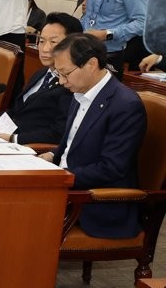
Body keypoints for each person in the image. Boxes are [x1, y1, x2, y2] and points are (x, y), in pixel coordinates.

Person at [40, 33, 146, 239]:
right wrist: (51, 156)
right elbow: (72, 145)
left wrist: (62, 178)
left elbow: (112, 168)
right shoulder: (80, 91)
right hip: (67, 187)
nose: (61, 81)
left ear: (91, 64)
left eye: (65, 73)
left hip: (94, 201)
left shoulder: (125, 105)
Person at [0, 12, 82, 144]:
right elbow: (17, 111)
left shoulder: (72, 84)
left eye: (53, 42)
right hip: (3, 140)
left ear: (73, 44)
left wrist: (14, 139)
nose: (45, 48)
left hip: (28, 148)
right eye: (42, 41)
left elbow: (58, 133)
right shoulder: (41, 74)